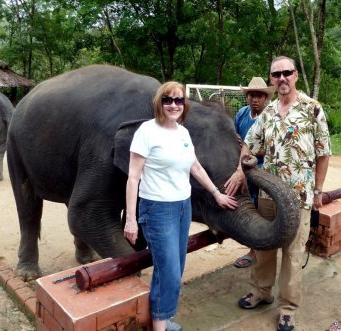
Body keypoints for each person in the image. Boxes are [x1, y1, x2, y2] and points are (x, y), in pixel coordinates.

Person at [224, 56, 331, 331]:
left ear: (295, 75)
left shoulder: (312, 109)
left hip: (300, 197)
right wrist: (239, 171)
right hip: (269, 196)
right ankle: (262, 291)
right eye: (276, 74)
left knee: (293, 254)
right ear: (272, 79)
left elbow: (323, 154)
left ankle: (287, 309)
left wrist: (318, 190)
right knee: (263, 247)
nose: (282, 78)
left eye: (287, 73)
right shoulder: (268, 112)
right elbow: (249, 146)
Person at [124, 81, 238, 331]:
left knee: (174, 267)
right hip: (157, 209)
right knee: (170, 272)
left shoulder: (182, 132)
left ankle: (161, 319)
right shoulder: (147, 131)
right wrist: (131, 219)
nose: (174, 105)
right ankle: (161, 327)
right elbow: (133, 176)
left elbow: (194, 166)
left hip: (182, 208)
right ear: (159, 102)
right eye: (168, 100)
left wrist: (217, 193)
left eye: (179, 100)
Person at [232, 77, 275, 268]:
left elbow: (275, 147)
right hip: (243, 169)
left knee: (260, 208)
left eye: (258, 95)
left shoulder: (271, 117)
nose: (254, 99)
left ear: (266, 98)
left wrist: (252, 149)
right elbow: (235, 136)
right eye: (251, 95)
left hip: (262, 170)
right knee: (247, 204)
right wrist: (238, 143)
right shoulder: (242, 114)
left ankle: (254, 251)